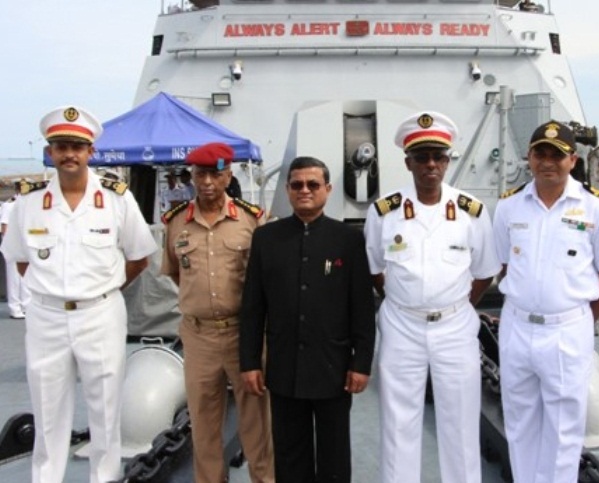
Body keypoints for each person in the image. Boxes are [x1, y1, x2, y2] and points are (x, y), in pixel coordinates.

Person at [0, 105, 158, 483]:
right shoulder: (28, 202)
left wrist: (99, 292)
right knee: (48, 408)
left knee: (105, 409)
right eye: (61, 146)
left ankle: (103, 479)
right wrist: (55, 291)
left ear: (91, 152)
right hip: (47, 316)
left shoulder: (117, 199)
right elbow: (21, 260)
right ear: (50, 152)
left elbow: (139, 257)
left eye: (77, 146)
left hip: (100, 313)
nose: (69, 153)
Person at [364, 111, 500, 483]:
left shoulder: (472, 212)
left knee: (459, 423)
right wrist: (407, 301)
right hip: (401, 325)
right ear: (407, 161)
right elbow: (376, 270)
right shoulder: (384, 212)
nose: (430, 165)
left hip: (455, 327)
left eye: (438, 157)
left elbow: (485, 272)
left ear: (447, 160)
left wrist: (453, 306)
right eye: (421, 157)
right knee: (397, 424)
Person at [492, 120, 599, 483]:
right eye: (541, 153)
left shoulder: (596, 208)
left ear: (572, 160)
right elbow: (506, 265)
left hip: (567, 330)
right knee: (519, 422)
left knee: (563, 430)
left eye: (557, 154)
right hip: (517, 327)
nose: (547, 161)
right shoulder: (509, 207)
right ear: (529, 157)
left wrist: (585, 318)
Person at [239, 156, 375, 483]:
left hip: (333, 367)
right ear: (287, 190)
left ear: (327, 189)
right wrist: (249, 362)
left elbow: (362, 307)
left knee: (334, 455)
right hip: (284, 367)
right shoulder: (266, 239)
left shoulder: (349, 240)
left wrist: (362, 363)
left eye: (313, 184)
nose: (304, 190)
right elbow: (253, 306)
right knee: (289, 454)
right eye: (297, 184)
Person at [161, 142, 275, 483]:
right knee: (204, 423)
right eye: (200, 174)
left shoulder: (252, 221)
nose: (207, 181)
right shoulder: (176, 223)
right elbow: (175, 272)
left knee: (255, 421)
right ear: (192, 176)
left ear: (228, 176)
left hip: (244, 334)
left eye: (215, 174)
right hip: (198, 337)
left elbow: (264, 279)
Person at [0, 180, 32, 319]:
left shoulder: (30, 206)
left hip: (28, 245)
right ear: (18, 189)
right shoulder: (9, 206)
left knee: (26, 277)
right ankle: (14, 307)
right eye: (21, 187)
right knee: (14, 278)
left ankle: (26, 305)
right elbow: (4, 228)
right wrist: (10, 245)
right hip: (13, 244)